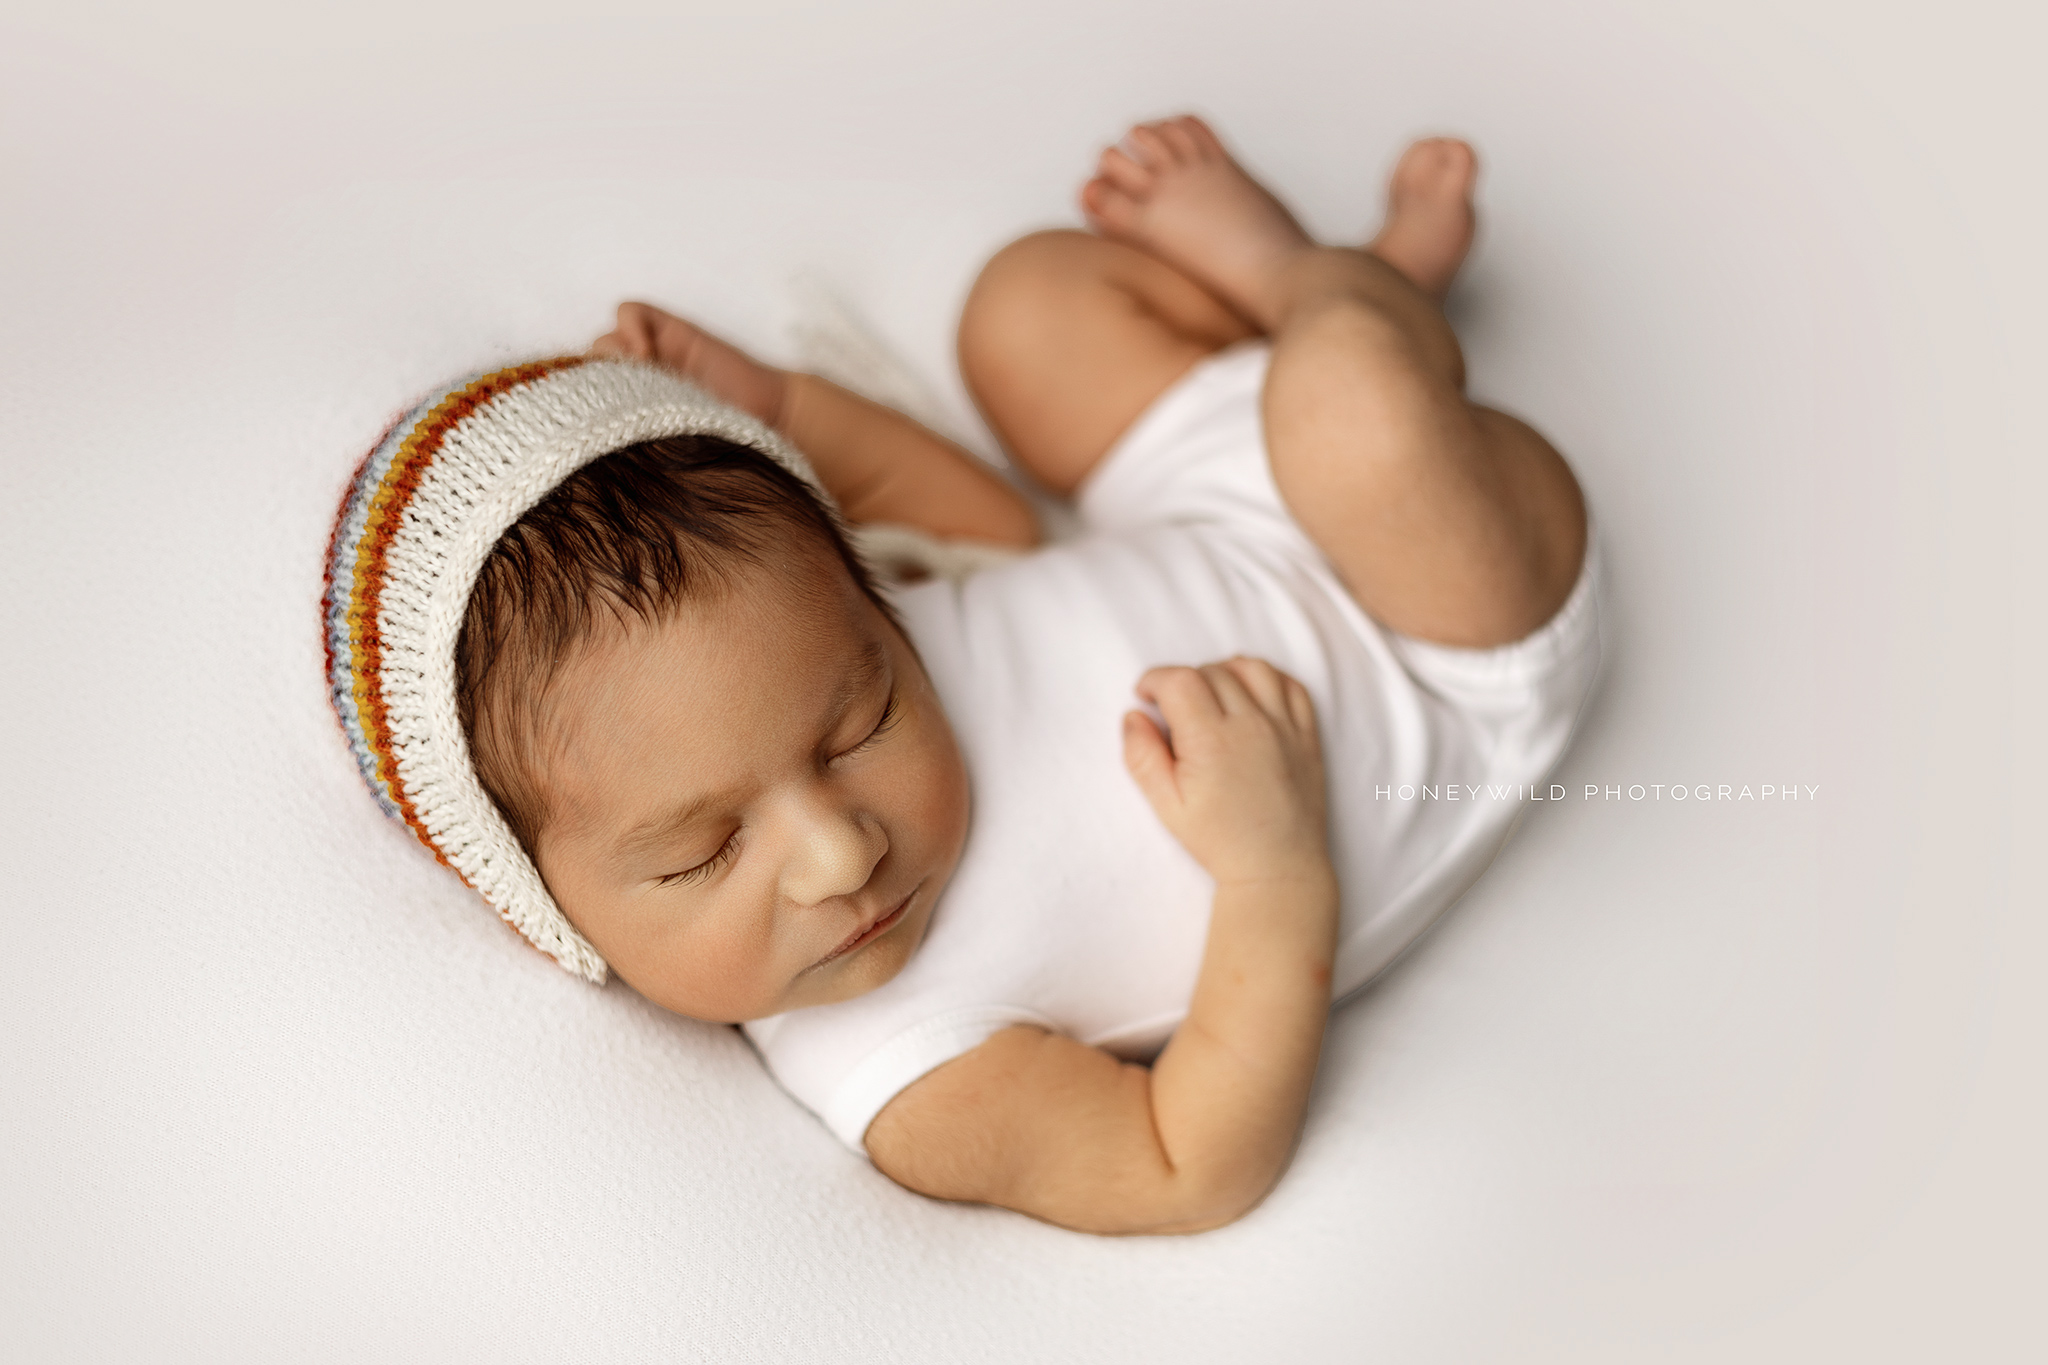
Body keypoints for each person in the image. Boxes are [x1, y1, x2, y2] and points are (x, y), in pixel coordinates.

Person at [326, 115, 1597, 1236]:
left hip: (1227, 509)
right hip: (1438, 655)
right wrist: (1272, 865)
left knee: (1023, 305)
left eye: (862, 720)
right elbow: (1183, 1162)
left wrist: (775, 403)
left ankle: (1350, 325)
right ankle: (1333, 288)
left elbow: (992, 539)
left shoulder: (804, 631)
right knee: (1351, 406)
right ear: (539, 911)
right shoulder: (901, 1066)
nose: (839, 855)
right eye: (704, 851)